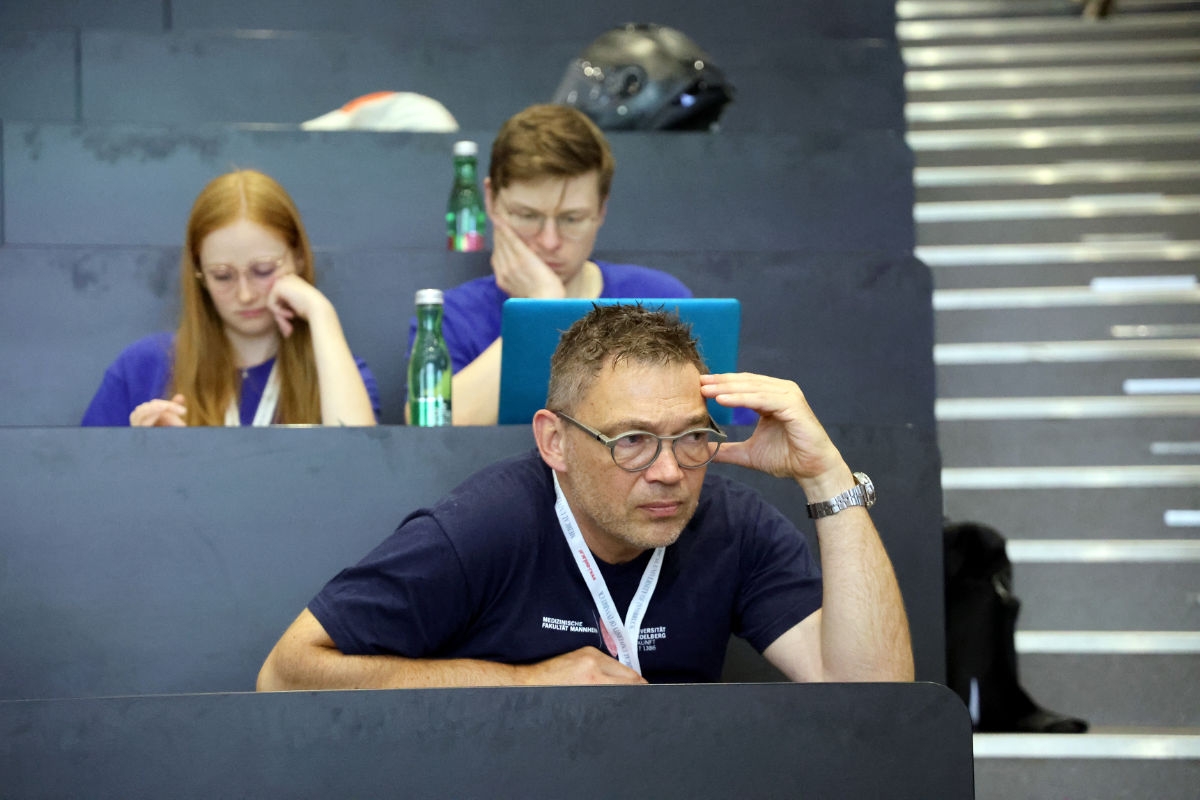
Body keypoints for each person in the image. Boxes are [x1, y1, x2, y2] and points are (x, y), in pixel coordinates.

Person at [259, 304, 913, 688]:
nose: (669, 472)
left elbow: (877, 701)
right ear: (556, 443)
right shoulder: (485, 525)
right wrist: (521, 684)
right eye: (631, 439)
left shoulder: (731, 526)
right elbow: (287, 670)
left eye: (691, 437)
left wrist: (827, 475)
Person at [409, 103, 692, 426]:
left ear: (601, 210)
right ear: (491, 201)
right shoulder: (453, 315)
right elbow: (430, 433)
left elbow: (706, 426)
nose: (549, 241)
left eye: (572, 219)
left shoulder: (660, 298)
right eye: (527, 216)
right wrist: (540, 306)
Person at [82, 169, 379, 427]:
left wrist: (320, 312)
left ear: (299, 258)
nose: (245, 295)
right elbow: (83, 482)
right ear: (199, 273)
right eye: (222, 276)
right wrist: (140, 456)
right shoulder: (143, 366)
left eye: (262, 271)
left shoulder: (336, 371)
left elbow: (362, 462)